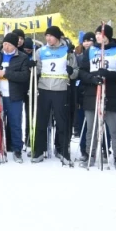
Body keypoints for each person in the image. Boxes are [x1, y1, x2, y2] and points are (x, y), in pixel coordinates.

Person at [78, 24, 116, 166]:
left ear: (107, 36)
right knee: (91, 128)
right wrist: (92, 79)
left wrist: (108, 75)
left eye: (101, 34)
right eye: (97, 34)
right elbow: (82, 71)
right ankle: (90, 154)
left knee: (114, 128)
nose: (98, 37)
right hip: (92, 94)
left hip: (111, 95)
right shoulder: (90, 51)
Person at [32, 26, 77, 163]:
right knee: (41, 121)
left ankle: (63, 150)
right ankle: (39, 151)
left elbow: (75, 71)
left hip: (61, 89)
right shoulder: (41, 51)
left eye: (51, 36)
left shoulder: (67, 52)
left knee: (62, 122)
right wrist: (31, 66)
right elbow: (36, 69)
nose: (48, 38)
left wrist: (72, 72)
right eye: (47, 36)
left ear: (57, 37)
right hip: (44, 89)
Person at [0, 32, 33, 162]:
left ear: (15, 46)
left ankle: (17, 150)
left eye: (9, 45)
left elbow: (24, 76)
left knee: (15, 123)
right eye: (4, 44)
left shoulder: (22, 57)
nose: (6, 47)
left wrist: (5, 73)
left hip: (14, 96)